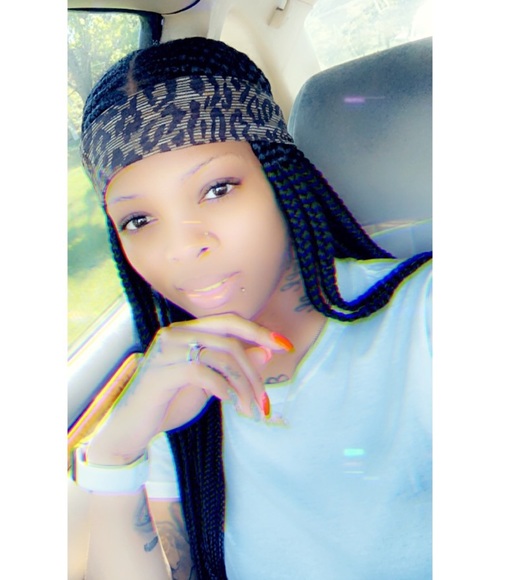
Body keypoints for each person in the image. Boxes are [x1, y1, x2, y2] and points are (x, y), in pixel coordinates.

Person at [73, 36, 432, 579]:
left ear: (280, 176)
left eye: (217, 189)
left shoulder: (424, 315)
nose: (181, 247)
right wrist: (116, 452)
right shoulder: (178, 388)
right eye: (139, 221)